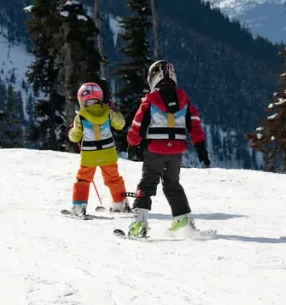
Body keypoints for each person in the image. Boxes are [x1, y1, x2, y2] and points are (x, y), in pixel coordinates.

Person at [125, 60, 211, 238]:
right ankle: (183, 221)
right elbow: (195, 126)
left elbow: (138, 125)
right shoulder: (185, 101)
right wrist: (201, 148)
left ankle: (139, 224)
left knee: (147, 185)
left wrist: (132, 144)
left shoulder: (150, 101)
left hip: (155, 150)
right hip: (176, 152)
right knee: (172, 184)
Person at [66, 82, 131, 216]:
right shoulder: (108, 112)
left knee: (83, 179)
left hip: (89, 155)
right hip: (108, 153)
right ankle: (120, 203)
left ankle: (79, 205)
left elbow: (74, 137)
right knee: (113, 178)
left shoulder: (81, 116)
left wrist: (71, 130)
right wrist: (115, 110)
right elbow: (121, 125)